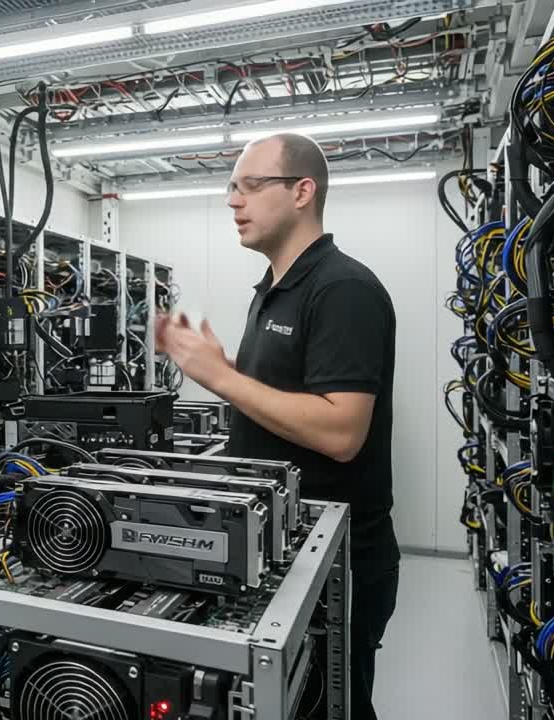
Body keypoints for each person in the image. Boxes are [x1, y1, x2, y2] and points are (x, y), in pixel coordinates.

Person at [155, 133, 400, 720]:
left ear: (301, 192)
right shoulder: (273, 290)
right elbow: (294, 395)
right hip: (283, 543)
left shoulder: (342, 289)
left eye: (248, 185)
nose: (232, 201)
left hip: (338, 559)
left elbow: (342, 433)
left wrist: (219, 377)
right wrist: (232, 368)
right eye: (230, 188)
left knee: (331, 704)